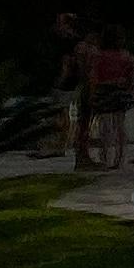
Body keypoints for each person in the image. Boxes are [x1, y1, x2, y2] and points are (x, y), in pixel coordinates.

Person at [86, 30, 134, 171]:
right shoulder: (125, 56)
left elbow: (93, 77)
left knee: (106, 126)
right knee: (120, 125)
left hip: (104, 89)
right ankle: (120, 158)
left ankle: (105, 156)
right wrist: (130, 87)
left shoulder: (99, 56)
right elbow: (133, 71)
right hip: (119, 90)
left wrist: (92, 93)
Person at [55, 14, 96, 169]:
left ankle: (82, 156)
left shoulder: (76, 46)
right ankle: (82, 157)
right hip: (84, 86)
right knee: (83, 122)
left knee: (83, 122)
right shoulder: (82, 48)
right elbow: (85, 70)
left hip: (80, 85)